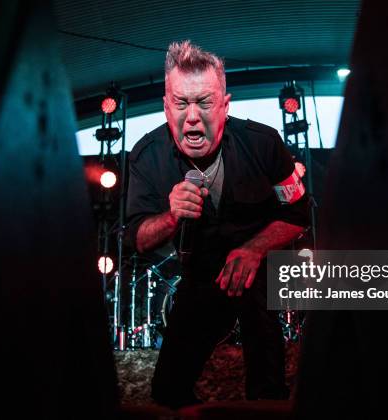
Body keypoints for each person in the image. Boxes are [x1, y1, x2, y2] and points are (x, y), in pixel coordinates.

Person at [126, 40, 309, 408]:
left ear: (225, 106)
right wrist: (171, 216)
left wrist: (255, 249)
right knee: (167, 391)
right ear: (165, 107)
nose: (192, 116)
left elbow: (299, 214)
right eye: (181, 103)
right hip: (200, 276)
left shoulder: (264, 144)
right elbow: (138, 238)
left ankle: (267, 400)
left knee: (267, 365)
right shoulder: (146, 158)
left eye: (205, 102)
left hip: (259, 275)